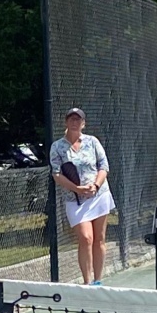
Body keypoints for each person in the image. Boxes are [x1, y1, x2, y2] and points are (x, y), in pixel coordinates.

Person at [49, 106, 115, 284]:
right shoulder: (57, 147)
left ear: (83, 123)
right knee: (86, 238)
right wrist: (77, 189)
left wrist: (95, 185)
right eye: (71, 118)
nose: (74, 122)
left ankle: (98, 281)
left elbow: (104, 166)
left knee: (99, 238)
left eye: (78, 119)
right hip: (75, 200)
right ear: (66, 122)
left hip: (99, 195)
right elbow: (56, 174)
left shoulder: (93, 142)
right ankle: (87, 282)